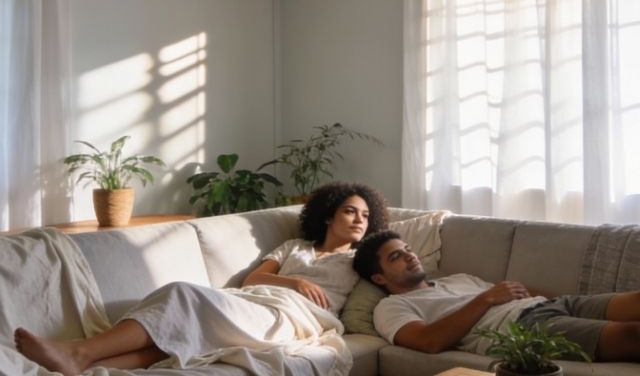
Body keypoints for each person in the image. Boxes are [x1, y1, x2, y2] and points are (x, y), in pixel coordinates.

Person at [15, 182, 389, 376]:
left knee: (181, 294)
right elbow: (253, 279)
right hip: (256, 300)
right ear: (328, 216)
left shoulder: (361, 259)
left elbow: (404, 270)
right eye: (350, 211)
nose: (360, 220)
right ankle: (82, 366)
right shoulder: (294, 246)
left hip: (293, 319)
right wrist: (295, 282)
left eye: (365, 216)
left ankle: (79, 352)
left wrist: (299, 293)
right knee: (183, 331)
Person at [352, 229, 640, 363]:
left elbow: (514, 291)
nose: (410, 256)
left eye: (408, 250)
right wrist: (485, 299)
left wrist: (562, 302)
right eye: (396, 257)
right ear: (379, 278)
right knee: (631, 335)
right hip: (523, 330)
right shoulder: (391, 307)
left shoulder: (458, 279)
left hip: (553, 305)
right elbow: (429, 342)